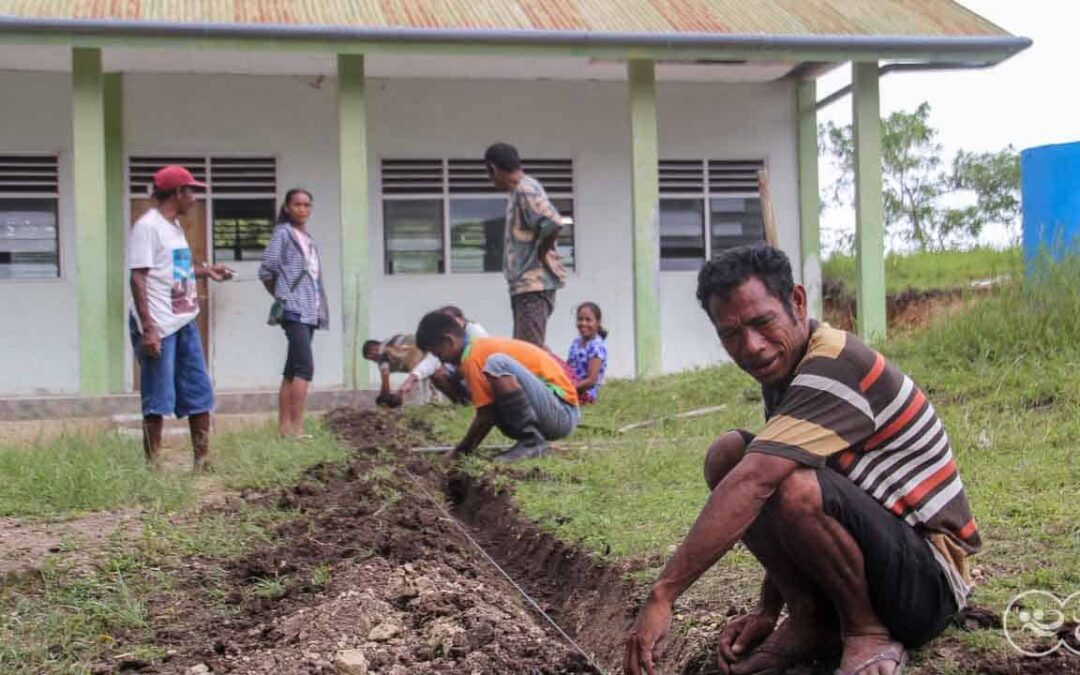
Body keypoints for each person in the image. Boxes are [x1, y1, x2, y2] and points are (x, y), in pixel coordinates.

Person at [624, 245, 979, 675]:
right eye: (730, 334)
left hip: (929, 586)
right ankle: (810, 617)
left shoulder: (832, 363)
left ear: (796, 301)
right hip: (880, 559)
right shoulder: (786, 369)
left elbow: (760, 483)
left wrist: (664, 594)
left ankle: (867, 630)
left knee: (782, 480)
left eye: (761, 322)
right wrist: (768, 608)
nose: (751, 347)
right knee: (730, 455)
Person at [128, 165, 234, 471]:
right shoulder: (148, 227)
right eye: (192, 191)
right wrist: (148, 328)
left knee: (199, 390)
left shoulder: (173, 227)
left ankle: (202, 459)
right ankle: (154, 465)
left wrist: (206, 271)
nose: (195, 199)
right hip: (159, 324)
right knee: (158, 396)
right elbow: (138, 279)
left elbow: (173, 271)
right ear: (177, 192)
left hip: (184, 320)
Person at [415, 310, 580, 462]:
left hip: (562, 412)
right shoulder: (473, 354)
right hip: (550, 414)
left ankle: (531, 441)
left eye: (438, 354)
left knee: (497, 364)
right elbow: (489, 412)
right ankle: (529, 440)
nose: (441, 361)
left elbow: (485, 416)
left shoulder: (475, 355)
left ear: (448, 341)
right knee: (492, 388)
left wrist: (459, 452)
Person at [259, 188, 329, 438]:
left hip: (310, 311)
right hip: (294, 310)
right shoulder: (284, 234)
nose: (303, 209)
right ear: (287, 208)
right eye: (297, 204)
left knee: (291, 370)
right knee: (304, 368)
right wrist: (282, 296)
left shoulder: (306, 237)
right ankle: (297, 429)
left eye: (307, 205)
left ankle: (283, 429)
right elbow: (266, 270)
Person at [484, 142, 566, 346]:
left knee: (528, 353)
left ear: (493, 169)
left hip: (534, 285)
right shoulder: (517, 192)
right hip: (524, 286)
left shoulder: (525, 190)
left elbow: (553, 223)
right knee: (527, 348)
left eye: (489, 173)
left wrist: (542, 253)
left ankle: (562, 377)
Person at [399, 305, 489, 404]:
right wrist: (411, 379)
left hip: (481, 376)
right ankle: (462, 402)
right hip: (465, 378)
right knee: (439, 373)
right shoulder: (447, 346)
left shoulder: (476, 334)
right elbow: (431, 361)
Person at [363, 334, 425, 405]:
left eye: (372, 358)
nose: (375, 361)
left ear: (373, 350)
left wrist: (384, 398)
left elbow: (385, 378)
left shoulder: (381, 352)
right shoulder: (389, 345)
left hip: (415, 350)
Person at [567, 302, 608, 404]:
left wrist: (567, 389)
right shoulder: (576, 342)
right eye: (580, 319)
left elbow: (591, 381)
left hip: (585, 393)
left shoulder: (596, 347)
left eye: (588, 320)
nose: (583, 323)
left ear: (598, 323)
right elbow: (568, 366)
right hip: (570, 385)